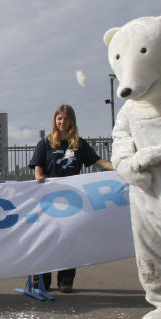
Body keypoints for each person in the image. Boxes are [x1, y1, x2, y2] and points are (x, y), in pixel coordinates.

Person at [28, 104, 113, 292]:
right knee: (46, 238)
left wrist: (118, 167)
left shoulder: (79, 144)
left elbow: (98, 161)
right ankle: (41, 278)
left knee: (69, 238)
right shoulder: (46, 143)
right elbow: (38, 165)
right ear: (55, 121)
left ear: (72, 121)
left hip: (73, 199)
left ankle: (66, 279)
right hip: (49, 198)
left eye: (66, 119)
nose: (62, 122)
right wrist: (39, 177)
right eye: (59, 118)